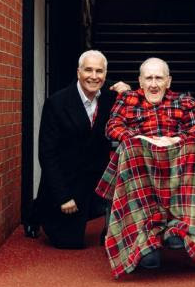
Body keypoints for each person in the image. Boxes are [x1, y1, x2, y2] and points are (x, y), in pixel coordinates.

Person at [98, 57, 195, 276]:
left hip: (178, 159)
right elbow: (113, 127)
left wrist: (175, 140)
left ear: (168, 81)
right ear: (140, 81)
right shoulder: (127, 100)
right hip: (141, 159)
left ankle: (181, 228)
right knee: (131, 149)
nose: (153, 84)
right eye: (148, 78)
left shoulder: (185, 101)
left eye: (158, 78)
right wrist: (142, 139)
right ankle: (144, 239)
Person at [33, 51, 130, 248]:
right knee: (69, 243)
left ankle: (98, 212)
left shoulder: (112, 96)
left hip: (96, 176)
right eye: (88, 70)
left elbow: (141, 108)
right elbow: (47, 153)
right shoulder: (56, 103)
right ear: (78, 72)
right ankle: (36, 211)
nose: (94, 76)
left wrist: (129, 91)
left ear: (105, 74)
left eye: (99, 71)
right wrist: (63, 196)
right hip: (67, 180)